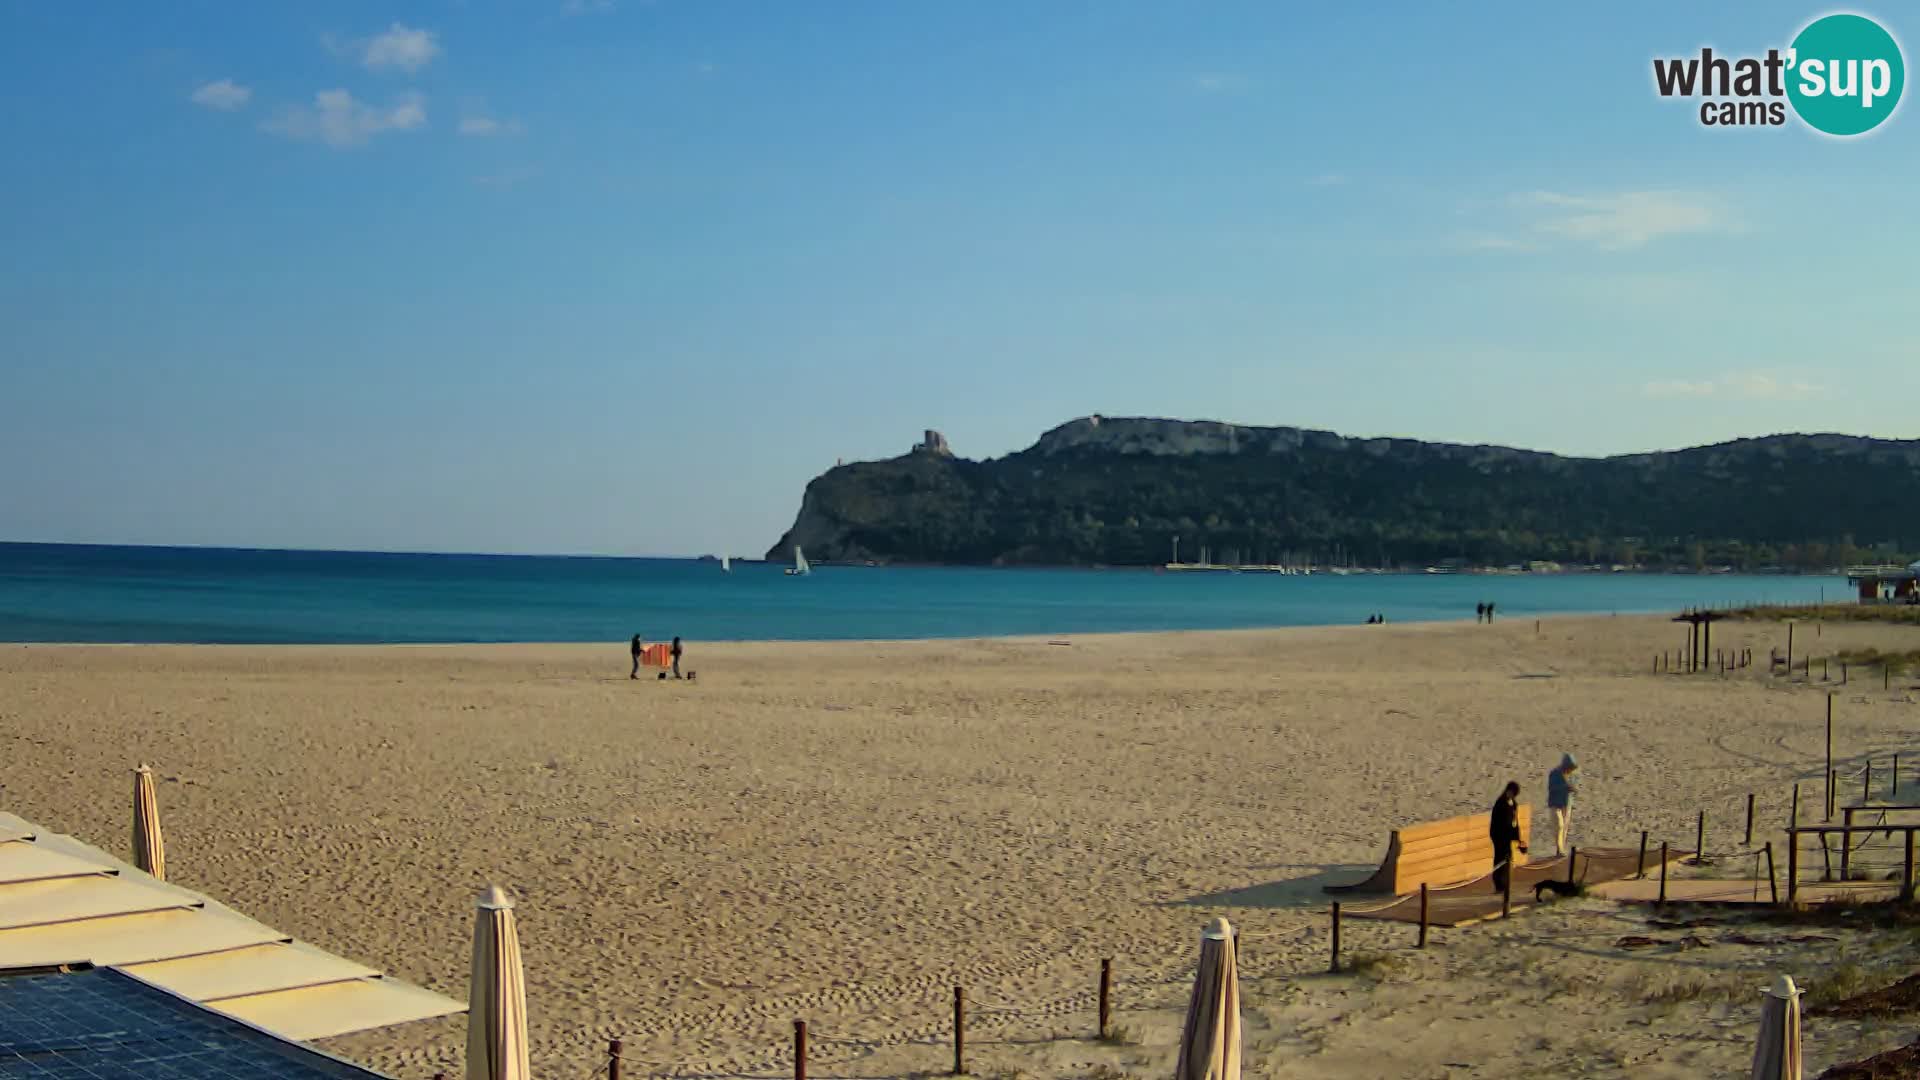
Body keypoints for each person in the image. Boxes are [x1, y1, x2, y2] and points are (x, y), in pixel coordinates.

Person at [1489, 780, 1527, 895]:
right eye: (1511, 792)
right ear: (1508, 791)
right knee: (1499, 858)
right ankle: (1499, 885)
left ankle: (1505, 884)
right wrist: (1510, 835)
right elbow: (1499, 823)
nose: (1512, 795)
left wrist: (1518, 839)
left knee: (1508, 858)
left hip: (1508, 834)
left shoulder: (1514, 804)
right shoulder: (1500, 803)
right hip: (1498, 835)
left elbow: (1515, 822)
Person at [1547, 753, 1579, 856]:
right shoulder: (1554, 773)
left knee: (1564, 827)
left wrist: (1574, 789)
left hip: (1567, 803)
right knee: (1559, 825)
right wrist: (1565, 787)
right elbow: (1551, 788)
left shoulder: (1573, 774)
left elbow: (1574, 786)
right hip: (1555, 803)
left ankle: (1560, 849)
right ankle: (1559, 847)